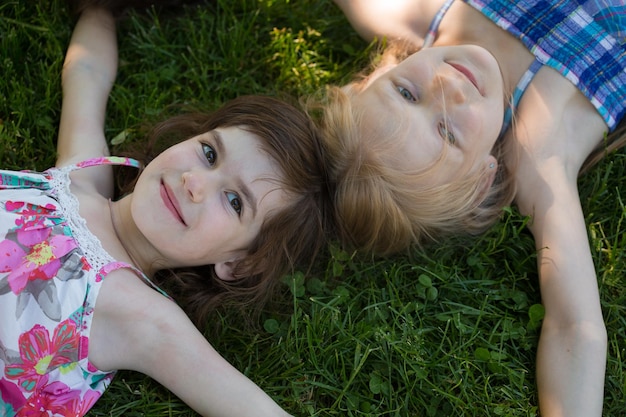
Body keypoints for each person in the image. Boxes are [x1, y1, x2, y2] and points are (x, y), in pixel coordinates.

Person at [0, 5, 332, 416]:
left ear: (238, 264)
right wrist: (102, 10)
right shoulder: (81, 176)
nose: (195, 182)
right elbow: (87, 76)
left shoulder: (146, 319)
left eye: (234, 202)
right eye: (209, 153)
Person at [309, 1, 626, 416]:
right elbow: (575, 325)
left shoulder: (408, 14)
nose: (447, 85)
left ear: (372, 79)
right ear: (481, 179)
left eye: (406, 92)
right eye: (448, 132)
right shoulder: (539, 157)